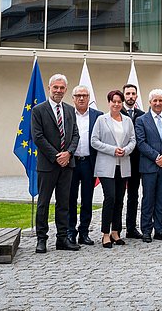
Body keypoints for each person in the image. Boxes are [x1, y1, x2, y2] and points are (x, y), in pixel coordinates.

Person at [31, 73, 80, 253]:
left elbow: (75, 135)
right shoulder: (38, 110)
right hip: (48, 165)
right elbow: (38, 137)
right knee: (43, 203)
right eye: (55, 87)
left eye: (62, 88)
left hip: (67, 164)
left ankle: (62, 239)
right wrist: (56, 156)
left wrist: (68, 153)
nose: (58, 91)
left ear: (66, 90)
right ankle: (41, 239)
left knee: (64, 203)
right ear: (49, 88)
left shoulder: (69, 110)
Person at [91, 90, 136, 248]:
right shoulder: (101, 120)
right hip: (106, 165)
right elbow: (94, 141)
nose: (116, 104)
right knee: (110, 197)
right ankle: (105, 233)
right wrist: (112, 149)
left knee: (119, 199)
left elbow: (132, 140)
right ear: (109, 102)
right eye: (113, 101)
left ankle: (115, 231)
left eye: (119, 101)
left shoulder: (127, 121)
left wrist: (126, 150)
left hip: (122, 164)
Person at [135, 89, 162, 243]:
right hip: (149, 166)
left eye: (161, 100)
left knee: (161, 199)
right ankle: (146, 230)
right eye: (155, 101)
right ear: (150, 102)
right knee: (148, 199)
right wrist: (156, 157)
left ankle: (159, 230)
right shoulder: (141, 120)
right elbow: (140, 142)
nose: (158, 103)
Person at [66, 85, 103, 247]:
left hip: (89, 162)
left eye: (84, 95)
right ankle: (70, 232)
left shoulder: (98, 116)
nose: (81, 98)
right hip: (71, 163)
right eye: (78, 95)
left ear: (89, 98)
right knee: (70, 199)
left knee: (87, 199)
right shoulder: (67, 114)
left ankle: (84, 232)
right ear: (73, 98)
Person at [122, 83, 145, 239]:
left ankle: (131, 228)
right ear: (124, 96)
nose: (130, 96)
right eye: (128, 93)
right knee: (116, 195)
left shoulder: (142, 114)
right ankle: (114, 227)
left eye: (133, 94)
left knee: (133, 195)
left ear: (136, 96)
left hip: (136, 161)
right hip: (119, 160)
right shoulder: (116, 112)